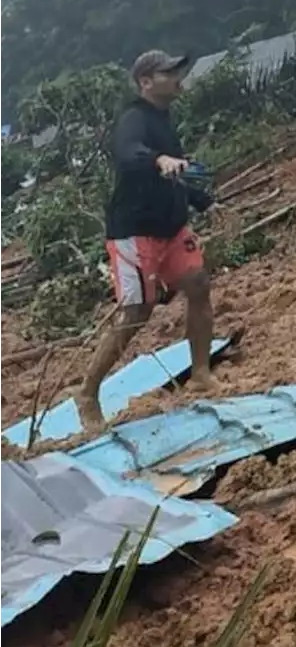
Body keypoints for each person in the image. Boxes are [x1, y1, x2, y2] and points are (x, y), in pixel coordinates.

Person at [75, 50, 219, 432]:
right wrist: (158, 160)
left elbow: (170, 174)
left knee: (199, 286)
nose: (178, 75)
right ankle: (88, 394)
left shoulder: (163, 119)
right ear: (146, 82)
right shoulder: (133, 119)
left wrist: (198, 198)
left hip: (171, 228)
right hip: (134, 231)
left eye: (177, 69)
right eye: (168, 71)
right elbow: (129, 156)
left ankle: (201, 372)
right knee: (138, 311)